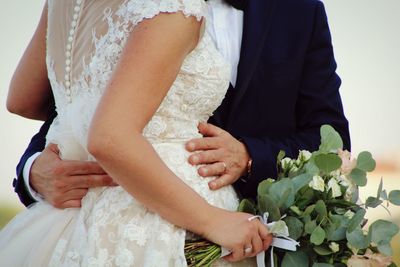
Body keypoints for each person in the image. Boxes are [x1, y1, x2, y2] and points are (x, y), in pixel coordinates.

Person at [1, 0, 274, 266]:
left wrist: (83, 113)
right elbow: (109, 137)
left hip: (76, 216)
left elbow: (20, 99)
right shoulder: (173, 5)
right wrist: (211, 220)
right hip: (155, 224)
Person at [13, 0, 350, 209]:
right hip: (120, 226)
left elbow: (332, 143)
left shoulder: (301, 12)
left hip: (253, 237)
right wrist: (32, 172)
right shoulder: (126, 4)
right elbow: (75, 103)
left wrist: (250, 157)